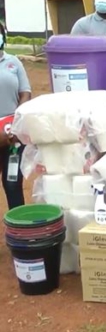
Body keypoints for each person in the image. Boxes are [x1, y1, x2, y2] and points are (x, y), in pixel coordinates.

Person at [0, 21, 31, 209]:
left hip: (13, 134)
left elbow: (25, 92)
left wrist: (17, 125)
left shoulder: (14, 62)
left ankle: (18, 221)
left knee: (12, 183)